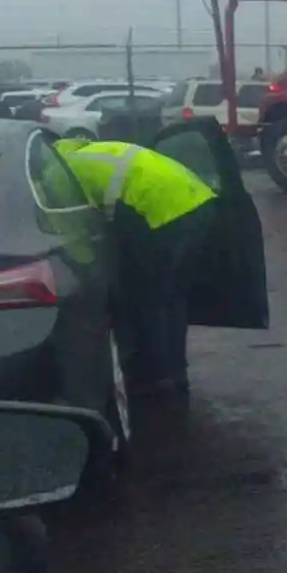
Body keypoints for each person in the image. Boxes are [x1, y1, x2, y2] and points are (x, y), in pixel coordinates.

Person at [55, 138, 218, 397]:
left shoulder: (60, 171)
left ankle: (156, 376)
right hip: (198, 199)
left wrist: (87, 270)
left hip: (163, 214)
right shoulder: (94, 150)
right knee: (174, 296)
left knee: (150, 299)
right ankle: (176, 371)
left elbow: (74, 228)